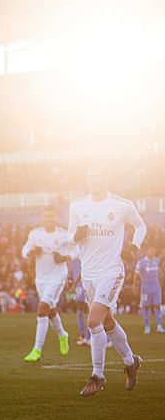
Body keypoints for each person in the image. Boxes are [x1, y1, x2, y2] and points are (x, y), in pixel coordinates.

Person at [69, 166, 146, 396]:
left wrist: (133, 247)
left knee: (94, 321)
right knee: (108, 322)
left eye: (98, 176)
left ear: (106, 178)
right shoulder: (77, 206)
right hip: (89, 274)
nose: (94, 180)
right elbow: (70, 236)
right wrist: (76, 236)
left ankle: (98, 375)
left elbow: (140, 226)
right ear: (87, 179)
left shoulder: (122, 205)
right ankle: (131, 361)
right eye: (90, 176)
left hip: (112, 271)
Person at [22, 206, 78, 362]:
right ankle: (62, 334)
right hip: (41, 278)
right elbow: (25, 249)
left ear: (56, 218)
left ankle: (37, 350)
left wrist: (65, 257)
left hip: (58, 277)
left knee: (42, 310)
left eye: (51, 216)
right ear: (42, 218)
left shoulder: (63, 235)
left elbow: (77, 250)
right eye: (46, 216)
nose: (48, 219)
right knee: (50, 309)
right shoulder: (35, 234)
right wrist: (31, 253)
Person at [135, 245, 164, 334]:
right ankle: (147, 326)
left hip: (156, 287)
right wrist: (136, 285)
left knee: (157, 306)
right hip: (146, 288)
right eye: (150, 250)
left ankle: (159, 326)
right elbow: (136, 275)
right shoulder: (141, 262)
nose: (152, 252)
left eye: (153, 250)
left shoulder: (157, 261)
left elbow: (161, 270)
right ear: (147, 251)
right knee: (146, 307)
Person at [71, 258, 91, 346]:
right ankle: (83, 335)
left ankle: (89, 337)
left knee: (88, 311)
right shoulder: (72, 256)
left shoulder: (79, 252)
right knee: (81, 311)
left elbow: (84, 268)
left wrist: (75, 283)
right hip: (80, 286)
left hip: (83, 284)